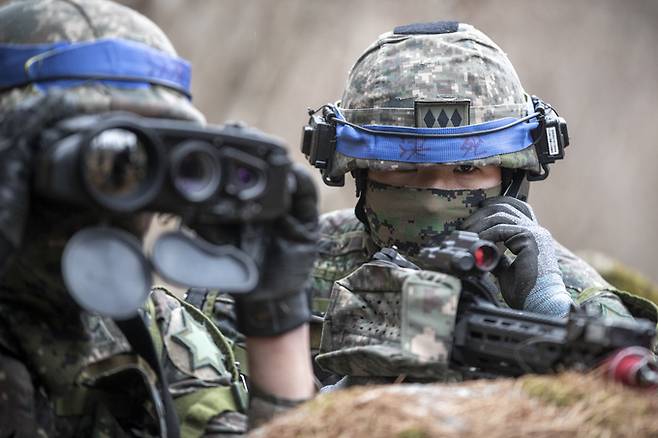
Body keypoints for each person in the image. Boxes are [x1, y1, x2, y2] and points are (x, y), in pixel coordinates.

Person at [0, 0, 315, 436]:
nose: (116, 189)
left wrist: (276, 325)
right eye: (96, 154)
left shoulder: (157, 333)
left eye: (142, 157)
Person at [303, 21, 658, 386]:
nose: (436, 198)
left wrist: (552, 316)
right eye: (404, 167)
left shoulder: (572, 299)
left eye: (467, 168)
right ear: (361, 174)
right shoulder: (300, 266)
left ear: (511, 175)